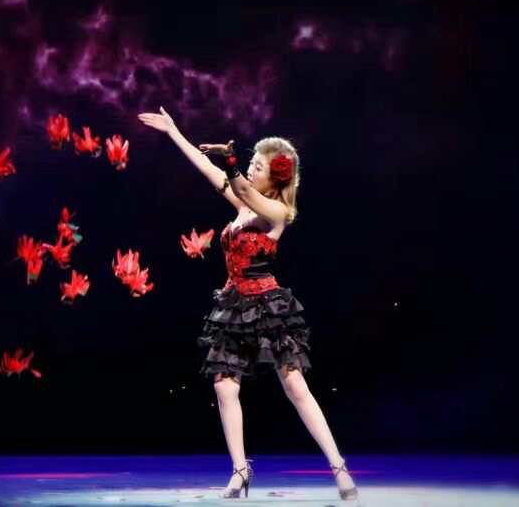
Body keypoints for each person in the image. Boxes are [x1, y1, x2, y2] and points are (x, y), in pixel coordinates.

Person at [138, 107, 359, 501]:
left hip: (268, 305)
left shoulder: (278, 213)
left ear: (275, 177)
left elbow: (242, 189)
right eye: (250, 163)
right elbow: (209, 171)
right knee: (224, 387)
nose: (252, 169)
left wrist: (232, 162)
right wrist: (173, 132)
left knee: (295, 385)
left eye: (258, 165)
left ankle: (338, 465)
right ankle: (240, 470)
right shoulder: (243, 204)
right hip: (234, 304)